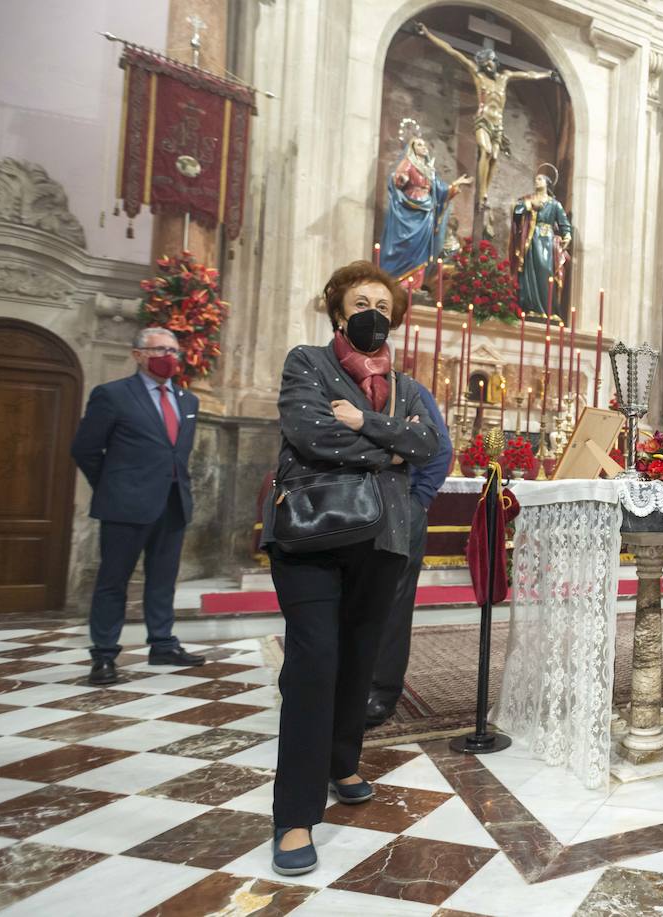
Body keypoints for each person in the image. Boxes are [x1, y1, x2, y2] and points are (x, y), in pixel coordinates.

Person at [260, 261, 441, 876]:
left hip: (382, 538)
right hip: (312, 535)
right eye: (363, 302)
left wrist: (365, 422)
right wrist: (390, 446)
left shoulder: (410, 386)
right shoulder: (307, 362)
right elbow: (310, 435)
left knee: (360, 659)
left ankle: (341, 760)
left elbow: (429, 447)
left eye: (384, 307)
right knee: (313, 667)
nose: (373, 313)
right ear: (340, 310)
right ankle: (294, 818)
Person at [71, 327, 205, 686]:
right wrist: (113, 486)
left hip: (173, 503)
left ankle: (162, 643)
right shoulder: (112, 395)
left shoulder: (187, 400)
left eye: (174, 351)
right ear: (138, 355)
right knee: (113, 581)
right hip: (124, 505)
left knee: (163, 581)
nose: (169, 357)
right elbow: (84, 449)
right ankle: (104, 655)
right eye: (160, 349)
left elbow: (177, 453)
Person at [366, 379, 453, 729]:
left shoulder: (409, 390)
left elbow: (438, 449)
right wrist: (396, 443)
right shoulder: (330, 385)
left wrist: (418, 501)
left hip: (402, 509)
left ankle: (381, 691)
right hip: (345, 508)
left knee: (393, 605)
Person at [415, 22, 554, 211]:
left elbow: (527, 74)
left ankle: (485, 192)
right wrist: (428, 33)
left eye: (491, 61)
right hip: (483, 120)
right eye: (485, 61)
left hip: (498, 125)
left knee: (495, 156)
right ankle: (482, 195)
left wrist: (546, 74)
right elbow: (453, 51)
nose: (489, 64)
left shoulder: (504, 77)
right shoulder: (478, 75)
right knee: (486, 151)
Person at [379, 129, 470, 287]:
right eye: (419, 145)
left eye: (424, 144)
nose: (423, 147)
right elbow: (397, 179)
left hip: (426, 213)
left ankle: (415, 286)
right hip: (410, 210)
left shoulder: (429, 170)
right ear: (413, 149)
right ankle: (400, 283)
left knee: (421, 251)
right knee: (408, 244)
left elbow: (440, 191)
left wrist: (455, 185)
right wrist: (402, 178)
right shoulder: (409, 162)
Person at [510, 165, 572, 318]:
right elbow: (516, 211)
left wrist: (567, 235)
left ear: (547, 183)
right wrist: (529, 206)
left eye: (540, 179)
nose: (536, 182)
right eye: (536, 179)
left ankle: (548, 309)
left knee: (545, 270)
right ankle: (531, 307)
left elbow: (564, 223)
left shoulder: (554, 204)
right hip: (530, 240)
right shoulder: (528, 199)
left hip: (546, 240)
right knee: (529, 272)